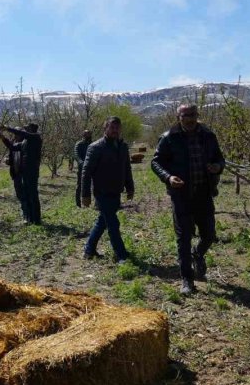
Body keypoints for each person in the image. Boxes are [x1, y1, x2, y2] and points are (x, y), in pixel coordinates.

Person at [151, 105, 225, 295]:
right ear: (179, 117)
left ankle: (197, 253)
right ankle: (187, 279)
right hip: (181, 196)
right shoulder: (169, 137)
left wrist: (217, 166)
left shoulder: (208, 136)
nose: (190, 119)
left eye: (193, 115)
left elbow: (220, 158)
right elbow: (156, 162)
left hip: (204, 193)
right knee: (183, 238)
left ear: (197, 115)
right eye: (185, 115)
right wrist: (168, 177)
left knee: (209, 234)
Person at [81, 117, 134, 262]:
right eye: (112, 127)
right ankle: (121, 255)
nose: (115, 130)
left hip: (116, 191)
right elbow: (86, 172)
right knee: (113, 223)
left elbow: (127, 168)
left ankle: (89, 250)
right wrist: (85, 194)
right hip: (101, 192)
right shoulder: (95, 147)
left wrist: (130, 187)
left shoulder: (122, 146)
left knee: (102, 222)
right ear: (105, 129)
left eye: (117, 128)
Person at [0, 123, 42, 224]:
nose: (25, 131)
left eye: (27, 129)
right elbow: (12, 147)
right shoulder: (24, 142)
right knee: (27, 195)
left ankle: (36, 219)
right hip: (24, 173)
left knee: (33, 195)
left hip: (32, 172)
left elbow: (21, 133)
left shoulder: (36, 137)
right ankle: (30, 218)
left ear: (32, 130)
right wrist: (2, 137)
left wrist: (7, 128)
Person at [0, 128, 26, 221]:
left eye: (17, 134)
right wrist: (8, 160)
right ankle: (25, 212)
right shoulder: (15, 144)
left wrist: (2, 137)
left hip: (24, 174)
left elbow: (11, 146)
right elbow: (11, 155)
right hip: (16, 173)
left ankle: (26, 214)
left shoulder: (24, 145)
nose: (16, 136)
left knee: (24, 194)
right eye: (15, 135)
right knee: (20, 194)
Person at [74, 129, 93, 207]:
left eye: (89, 134)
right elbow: (76, 154)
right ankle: (78, 204)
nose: (87, 135)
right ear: (83, 135)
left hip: (92, 167)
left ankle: (91, 202)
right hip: (82, 168)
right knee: (80, 185)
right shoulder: (79, 144)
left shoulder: (93, 144)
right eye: (86, 134)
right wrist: (82, 163)